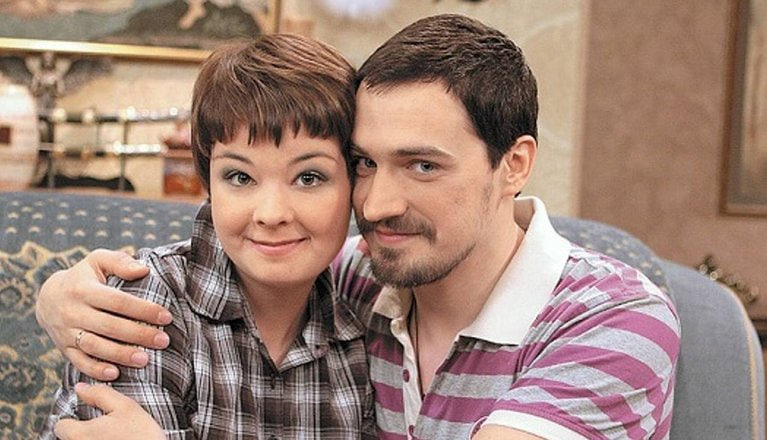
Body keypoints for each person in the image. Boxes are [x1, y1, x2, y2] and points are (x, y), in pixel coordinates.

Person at [37, 14, 681, 440]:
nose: (376, 205)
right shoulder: (355, 281)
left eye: (423, 165)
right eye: (366, 164)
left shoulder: (617, 322)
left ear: (513, 164)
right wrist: (59, 293)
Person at [38, 33, 376, 439]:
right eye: (240, 177)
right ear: (209, 183)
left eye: (309, 177)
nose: (271, 214)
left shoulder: (357, 341)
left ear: (355, 184)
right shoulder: (148, 304)